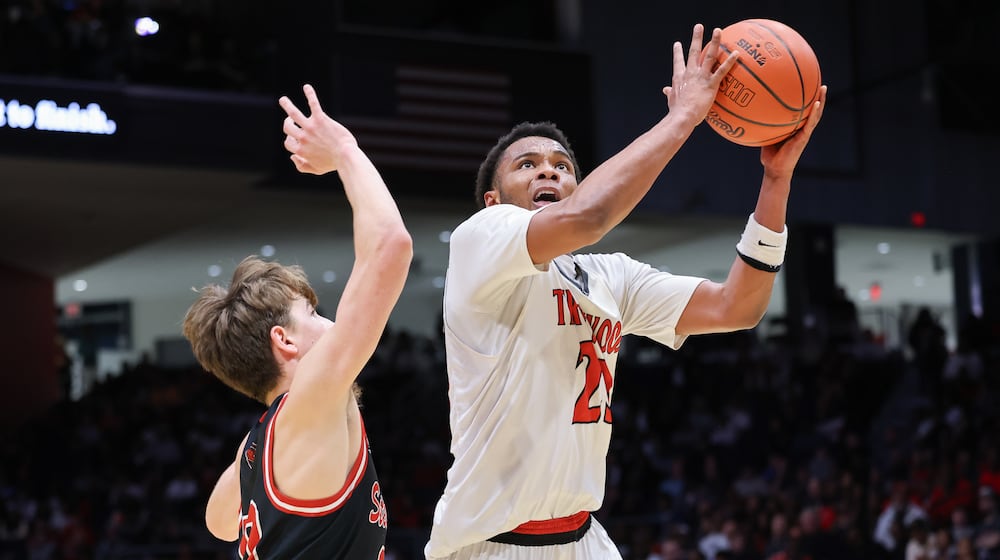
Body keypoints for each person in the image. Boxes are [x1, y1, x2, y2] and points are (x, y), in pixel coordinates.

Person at [425, 23, 827, 559]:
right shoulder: (480, 239)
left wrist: (776, 181)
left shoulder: (610, 276)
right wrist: (683, 117)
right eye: (528, 165)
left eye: (563, 167)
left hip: (585, 539)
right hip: (490, 546)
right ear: (494, 200)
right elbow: (588, 214)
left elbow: (739, 306)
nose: (549, 169)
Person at [182, 84, 412, 558]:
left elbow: (220, 522)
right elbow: (391, 245)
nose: (331, 322)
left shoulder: (260, 442)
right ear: (284, 342)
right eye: (313, 313)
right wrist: (345, 152)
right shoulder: (309, 402)